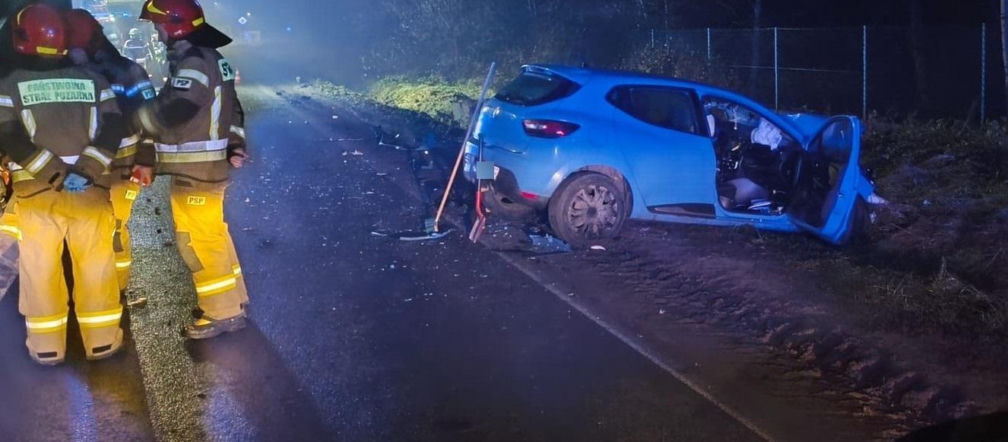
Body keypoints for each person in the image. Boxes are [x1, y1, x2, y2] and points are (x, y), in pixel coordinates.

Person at [0, 4, 131, 365]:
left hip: (37, 197)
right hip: (91, 193)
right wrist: (85, 170)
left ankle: (47, 348)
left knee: (40, 273)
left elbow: (10, 136)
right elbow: (115, 128)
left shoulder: (10, 85)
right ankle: (102, 342)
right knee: (96, 269)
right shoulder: (94, 81)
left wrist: (55, 174)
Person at [137, 0, 249, 339]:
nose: (156, 35)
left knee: (197, 242)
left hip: (196, 172)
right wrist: (234, 144)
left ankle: (221, 314)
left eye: (158, 26)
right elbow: (234, 108)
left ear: (175, 25)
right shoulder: (213, 58)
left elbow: (178, 108)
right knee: (214, 237)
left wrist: (138, 117)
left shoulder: (194, 61)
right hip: (208, 170)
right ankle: (235, 302)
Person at [66, 8, 157, 291]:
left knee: (112, 229)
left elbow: (150, 118)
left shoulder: (125, 72)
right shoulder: (126, 70)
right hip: (100, 169)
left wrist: (146, 159)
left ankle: (112, 290)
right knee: (99, 230)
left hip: (118, 169)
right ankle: (103, 290)